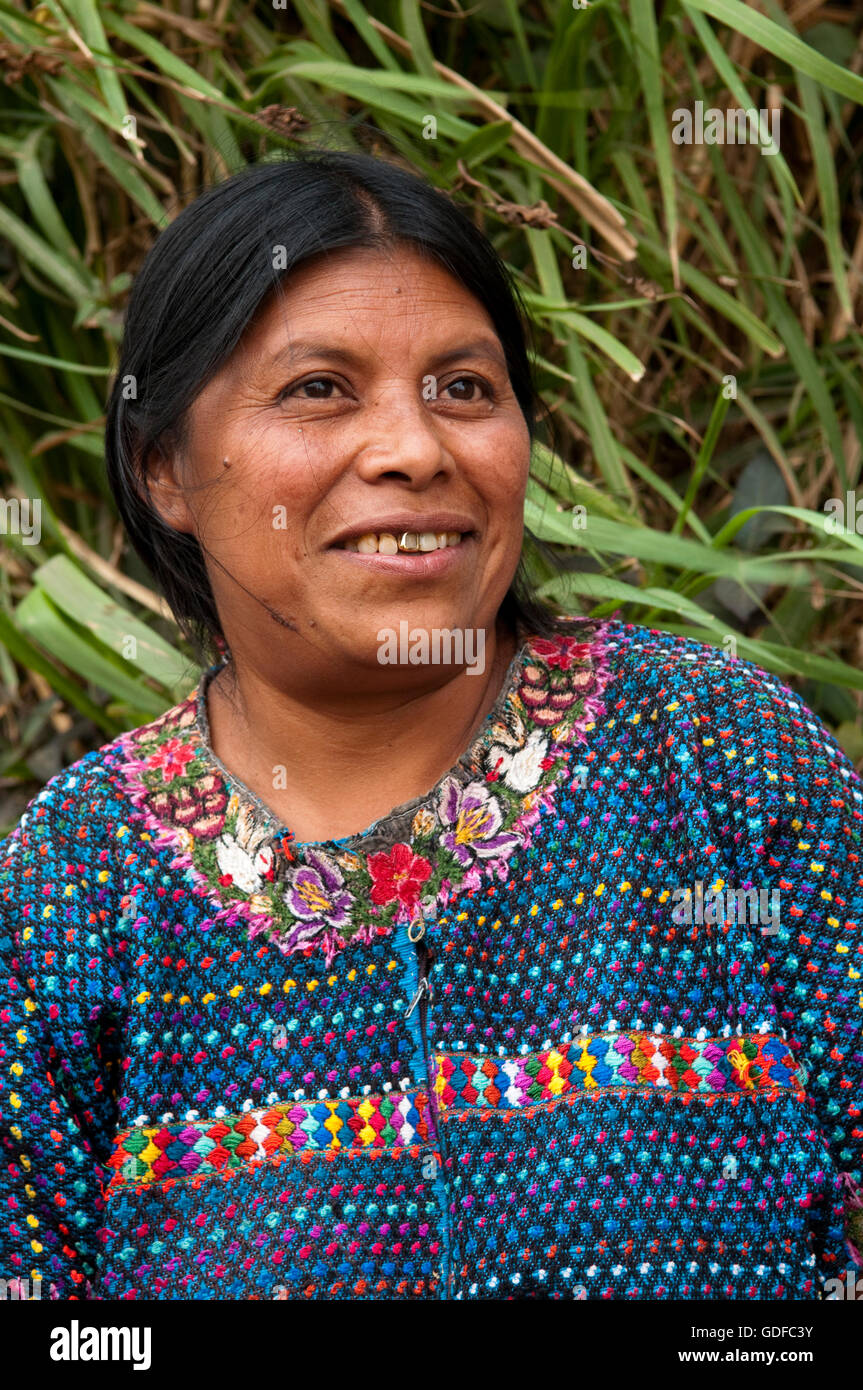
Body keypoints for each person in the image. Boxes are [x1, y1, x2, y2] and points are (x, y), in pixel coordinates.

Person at [0, 149, 860, 1301]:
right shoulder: (80, 886)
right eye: (319, 388)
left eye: (463, 387)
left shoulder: (712, 757)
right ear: (165, 466)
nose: (415, 448)